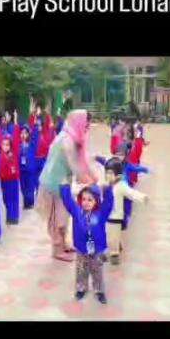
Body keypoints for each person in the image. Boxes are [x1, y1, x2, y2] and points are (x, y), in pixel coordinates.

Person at [37, 109, 99, 262]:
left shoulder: (75, 137)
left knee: (64, 216)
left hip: (62, 184)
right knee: (57, 219)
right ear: (79, 123)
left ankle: (63, 244)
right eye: (86, 125)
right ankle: (57, 250)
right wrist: (88, 181)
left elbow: (84, 159)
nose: (87, 129)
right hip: (52, 184)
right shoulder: (67, 141)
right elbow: (75, 166)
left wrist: (94, 177)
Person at [60, 182, 114, 303]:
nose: (86, 202)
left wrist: (108, 189)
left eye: (90, 200)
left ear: (96, 201)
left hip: (97, 249)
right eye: (83, 199)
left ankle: (99, 291)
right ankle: (81, 288)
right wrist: (65, 186)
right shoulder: (77, 211)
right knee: (81, 270)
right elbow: (68, 201)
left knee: (97, 271)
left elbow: (109, 203)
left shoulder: (101, 213)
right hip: (81, 249)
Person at [101, 157, 148, 265]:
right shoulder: (105, 185)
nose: (108, 176)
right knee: (106, 235)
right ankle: (106, 250)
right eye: (107, 173)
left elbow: (131, 193)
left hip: (116, 216)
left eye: (111, 173)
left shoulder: (121, 186)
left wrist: (142, 197)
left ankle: (114, 254)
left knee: (114, 236)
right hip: (105, 215)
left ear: (118, 175)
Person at [0, 110, 21, 225]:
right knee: (6, 199)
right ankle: (9, 215)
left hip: (13, 180)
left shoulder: (14, 152)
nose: (5, 146)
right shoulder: (1, 154)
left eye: (7, 145)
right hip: (4, 181)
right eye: (3, 144)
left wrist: (15, 121)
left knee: (13, 198)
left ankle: (14, 217)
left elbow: (15, 137)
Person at [19, 123, 39, 209]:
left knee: (30, 187)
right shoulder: (19, 146)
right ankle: (26, 202)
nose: (23, 135)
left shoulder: (32, 144)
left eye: (25, 133)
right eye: (22, 133)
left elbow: (36, 136)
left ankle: (30, 203)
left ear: (28, 134)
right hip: (22, 170)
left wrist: (35, 125)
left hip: (30, 170)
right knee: (23, 187)